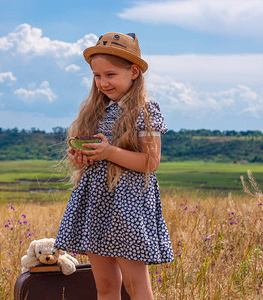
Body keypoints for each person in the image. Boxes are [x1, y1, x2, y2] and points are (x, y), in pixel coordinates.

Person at [54, 32, 174, 300]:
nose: (102, 83)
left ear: (133, 71)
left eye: (110, 75)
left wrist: (108, 152)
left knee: (135, 285)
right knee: (105, 286)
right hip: (97, 204)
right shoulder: (96, 111)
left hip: (128, 206)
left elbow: (150, 163)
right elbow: (91, 160)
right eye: (97, 76)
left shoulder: (146, 110)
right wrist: (81, 157)